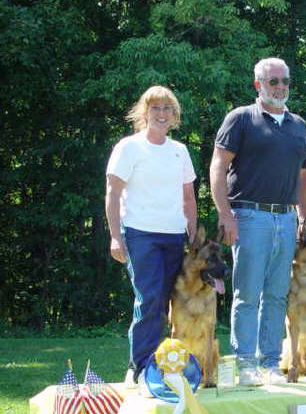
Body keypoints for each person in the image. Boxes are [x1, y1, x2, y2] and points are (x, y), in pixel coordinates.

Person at [210, 57, 306, 385]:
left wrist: (304, 217)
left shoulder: (299, 126)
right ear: (258, 85)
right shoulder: (241, 118)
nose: (280, 87)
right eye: (273, 81)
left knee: (277, 295)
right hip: (249, 216)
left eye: (285, 81)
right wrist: (225, 214)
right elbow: (217, 166)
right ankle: (245, 364)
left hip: (287, 218)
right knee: (248, 294)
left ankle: (270, 363)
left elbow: (304, 177)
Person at [105, 85, 197, 394]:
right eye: (155, 108)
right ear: (144, 113)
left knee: (172, 302)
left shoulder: (179, 150)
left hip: (174, 236)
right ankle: (140, 367)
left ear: (174, 115)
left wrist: (193, 236)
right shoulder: (129, 147)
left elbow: (188, 197)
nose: (161, 113)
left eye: (167, 108)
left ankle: (170, 368)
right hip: (140, 234)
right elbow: (112, 193)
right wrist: (115, 237)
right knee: (149, 299)